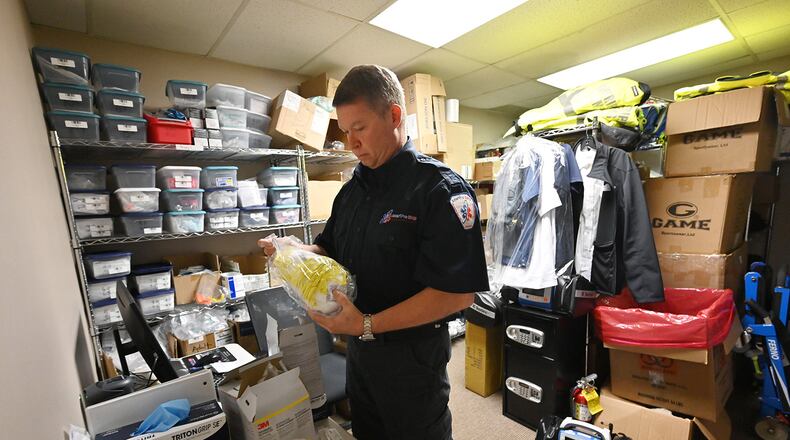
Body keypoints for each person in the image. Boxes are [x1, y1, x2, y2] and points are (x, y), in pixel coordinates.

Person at [258, 65, 488, 440]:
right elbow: (327, 249)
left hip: (411, 365)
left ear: (394, 116)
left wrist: (365, 325)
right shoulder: (352, 190)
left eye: (359, 128)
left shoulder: (439, 190)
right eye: (346, 131)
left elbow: (457, 293)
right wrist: (292, 252)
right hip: (360, 359)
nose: (351, 143)